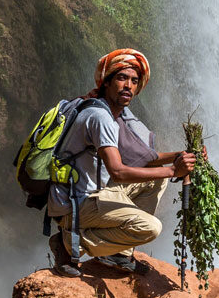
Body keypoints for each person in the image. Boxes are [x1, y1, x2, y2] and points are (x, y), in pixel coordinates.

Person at [47, 47, 197, 276]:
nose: (128, 85)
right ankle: (69, 243)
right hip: (76, 204)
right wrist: (172, 172)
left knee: (156, 180)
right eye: (122, 78)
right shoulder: (100, 118)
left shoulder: (109, 113)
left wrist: (181, 156)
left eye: (134, 81)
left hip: (89, 194)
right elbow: (118, 171)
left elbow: (147, 159)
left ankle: (118, 252)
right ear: (106, 82)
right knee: (150, 227)